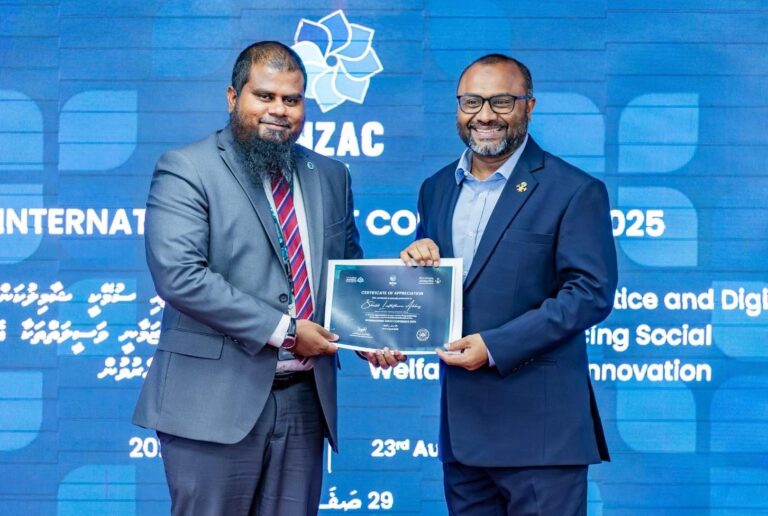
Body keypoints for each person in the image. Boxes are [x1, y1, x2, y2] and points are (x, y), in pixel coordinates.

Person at [132, 41, 392, 515]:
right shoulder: (188, 167)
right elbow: (179, 275)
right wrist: (288, 332)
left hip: (303, 404)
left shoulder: (331, 175)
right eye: (265, 96)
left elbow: (346, 273)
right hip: (211, 404)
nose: (279, 110)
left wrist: (372, 332)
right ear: (233, 97)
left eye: (291, 99)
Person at [400, 54, 618, 515]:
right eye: (472, 102)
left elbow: (590, 293)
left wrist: (495, 346)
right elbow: (443, 290)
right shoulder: (435, 188)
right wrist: (417, 267)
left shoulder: (573, 190)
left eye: (501, 101)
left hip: (541, 436)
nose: (485, 115)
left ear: (528, 106)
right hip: (463, 435)